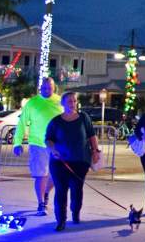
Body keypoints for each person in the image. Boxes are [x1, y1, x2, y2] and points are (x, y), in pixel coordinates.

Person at [46, 92, 99, 231]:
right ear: (62, 103)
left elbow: (91, 135)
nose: (72, 103)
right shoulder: (56, 121)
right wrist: (53, 149)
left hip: (80, 161)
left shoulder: (83, 118)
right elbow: (48, 139)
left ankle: (75, 213)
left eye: (74, 101)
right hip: (60, 162)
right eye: (69, 101)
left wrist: (95, 151)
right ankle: (61, 220)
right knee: (61, 190)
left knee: (77, 189)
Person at [13, 77, 63, 215]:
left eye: (49, 88)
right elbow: (22, 123)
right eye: (44, 88)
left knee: (57, 175)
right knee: (41, 175)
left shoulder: (60, 101)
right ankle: (41, 203)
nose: (47, 90)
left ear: (54, 88)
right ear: (40, 88)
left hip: (56, 145)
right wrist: (17, 143)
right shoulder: (32, 103)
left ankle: (46, 192)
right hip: (38, 144)